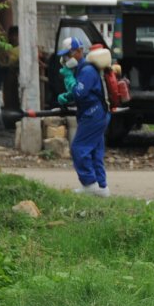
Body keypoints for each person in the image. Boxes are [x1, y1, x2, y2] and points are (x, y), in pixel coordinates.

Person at [56, 37, 111, 197]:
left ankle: (89, 184)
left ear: (79, 52)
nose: (65, 59)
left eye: (68, 55)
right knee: (95, 151)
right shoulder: (83, 69)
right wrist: (68, 96)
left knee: (79, 148)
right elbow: (84, 93)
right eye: (64, 55)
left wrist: (68, 79)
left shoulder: (87, 71)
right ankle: (101, 187)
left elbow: (79, 93)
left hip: (93, 114)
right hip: (98, 113)